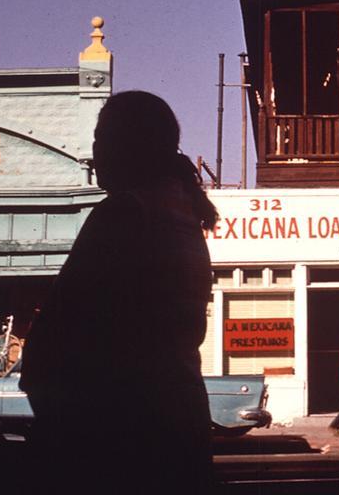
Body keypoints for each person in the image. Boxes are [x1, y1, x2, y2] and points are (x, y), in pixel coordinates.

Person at [19, 90, 217, 492]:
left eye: (101, 140)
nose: (94, 155)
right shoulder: (184, 219)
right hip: (180, 431)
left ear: (130, 147)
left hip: (123, 443)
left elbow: (55, 336)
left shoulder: (124, 213)